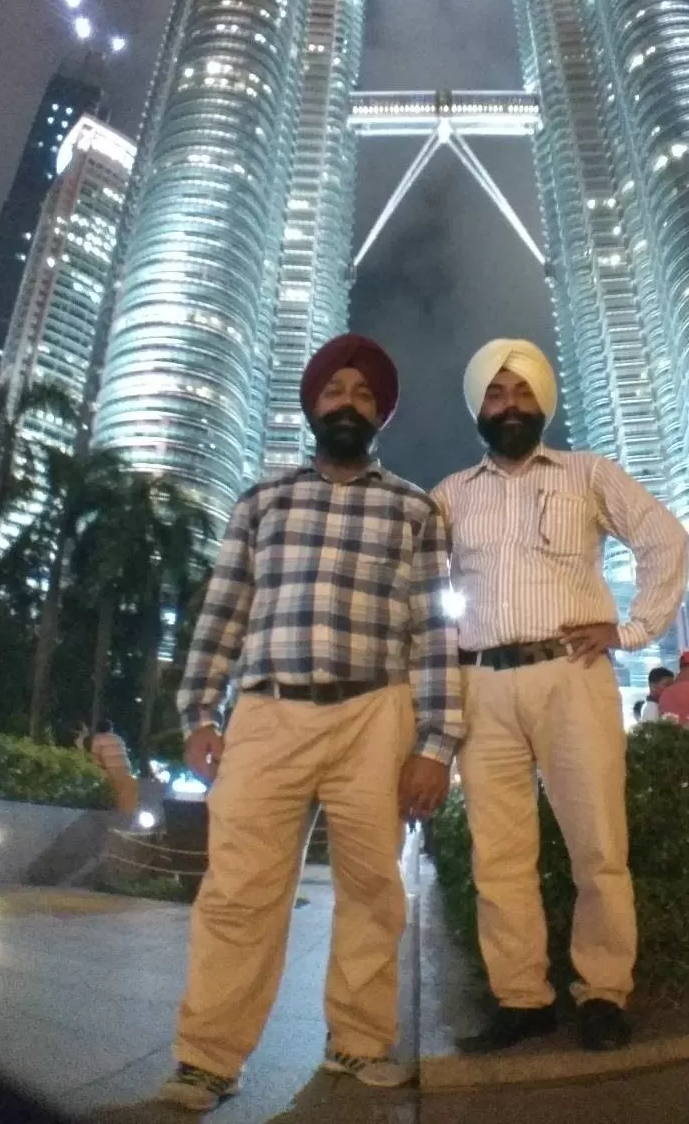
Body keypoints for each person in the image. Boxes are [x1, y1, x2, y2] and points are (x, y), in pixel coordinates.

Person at [158, 335, 464, 1111]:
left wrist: (434, 743)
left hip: (375, 712)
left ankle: (358, 1045)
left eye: (365, 394)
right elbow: (224, 611)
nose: (349, 401)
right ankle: (208, 1061)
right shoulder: (262, 501)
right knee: (239, 891)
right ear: (313, 403)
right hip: (266, 712)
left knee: (371, 888)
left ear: (380, 415)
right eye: (337, 390)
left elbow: (434, 632)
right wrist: (199, 710)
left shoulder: (414, 508)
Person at [432, 339, 689, 1054]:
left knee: (599, 843)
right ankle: (522, 999)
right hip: (481, 682)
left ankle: (603, 990)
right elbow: (409, 575)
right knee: (499, 854)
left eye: (521, 392)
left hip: (571, 674)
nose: (509, 404)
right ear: (478, 408)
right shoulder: (450, 494)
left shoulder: (587, 473)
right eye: (494, 394)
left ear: (543, 401)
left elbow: (663, 539)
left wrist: (634, 629)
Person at [89, 719, 139, 815]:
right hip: (126, 771)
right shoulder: (118, 738)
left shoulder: (98, 739)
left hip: (110, 771)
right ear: (111, 729)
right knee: (126, 797)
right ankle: (128, 815)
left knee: (111, 794)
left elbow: (95, 758)